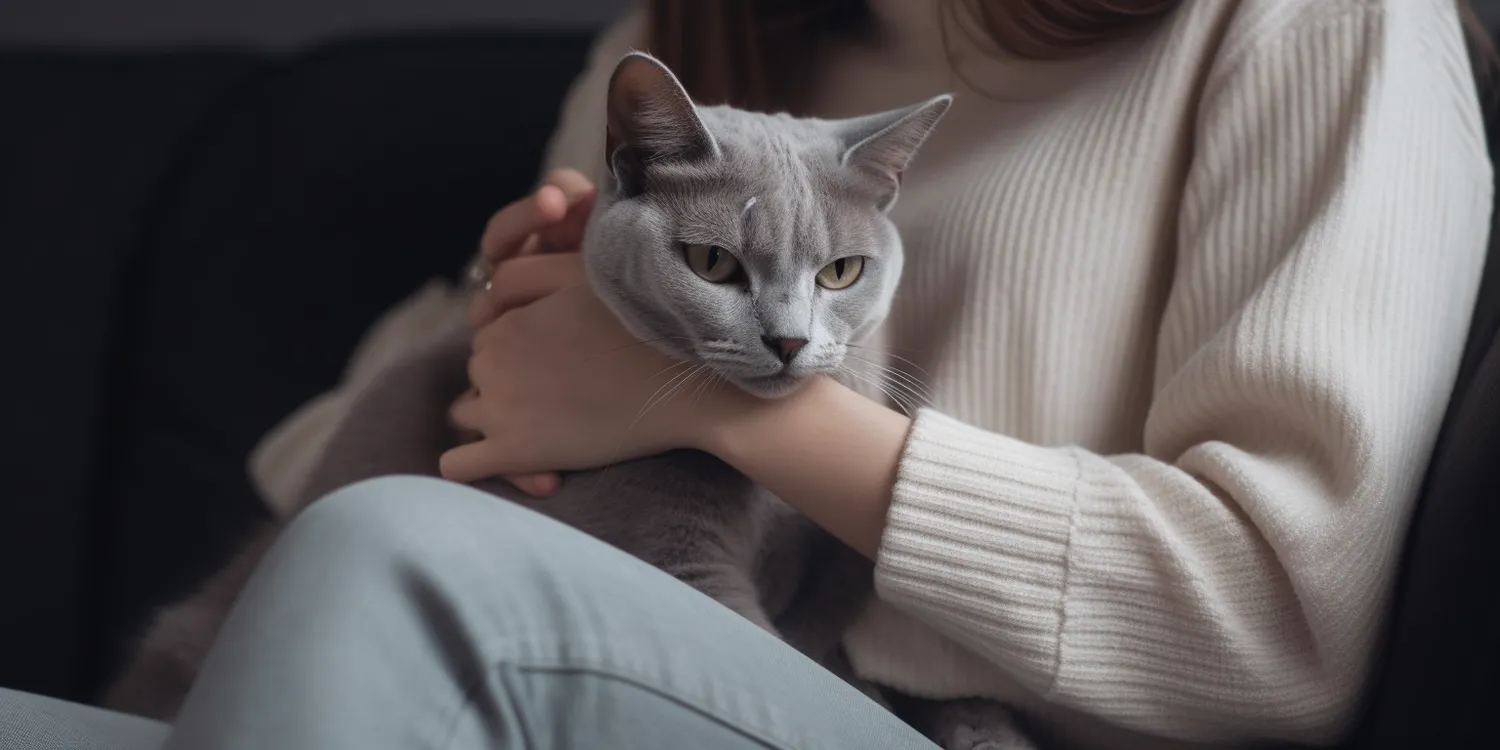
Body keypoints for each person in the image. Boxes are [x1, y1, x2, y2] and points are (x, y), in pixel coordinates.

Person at [173, 0, 1494, 748]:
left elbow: (1279, 627)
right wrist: (514, 325)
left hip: (973, 729)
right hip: (675, 669)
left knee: (389, 560)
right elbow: (364, 438)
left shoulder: (1319, 23)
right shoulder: (694, 33)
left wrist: (712, 406)